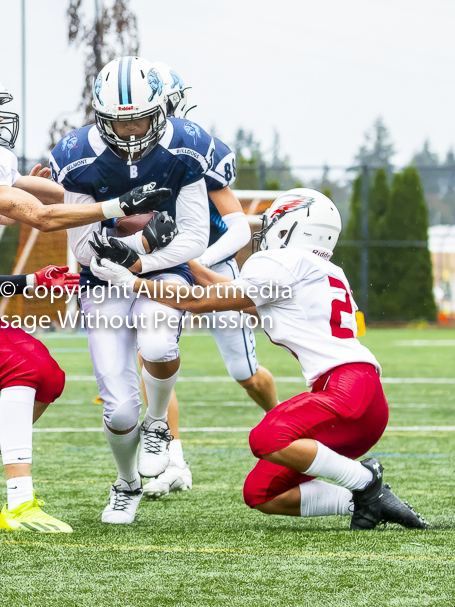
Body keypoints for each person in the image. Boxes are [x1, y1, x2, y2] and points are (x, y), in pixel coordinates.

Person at [0, 62, 170, 533]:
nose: (2, 116)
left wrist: (106, 199)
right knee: (22, 369)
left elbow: (50, 189)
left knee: (47, 377)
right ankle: (19, 502)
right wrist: (116, 207)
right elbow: (39, 215)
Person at [90, 188, 429, 530]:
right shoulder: (320, 270)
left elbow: (197, 301)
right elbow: (227, 293)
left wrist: (132, 282)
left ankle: (365, 479)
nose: (266, 233)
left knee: (266, 438)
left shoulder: (280, 262)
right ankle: (367, 500)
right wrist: (177, 255)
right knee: (261, 493)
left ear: (290, 228)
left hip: (345, 391)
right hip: (363, 401)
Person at [49, 56, 214, 524]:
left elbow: (194, 237)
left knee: (159, 342)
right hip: (102, 278)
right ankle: (126, 483)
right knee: (120, 409)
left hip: (160, 269)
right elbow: (82, 248)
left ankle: (159, 424)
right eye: (118, 123)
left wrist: (139, 263)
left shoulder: (186, 146)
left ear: (161, 110)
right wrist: (132, 243)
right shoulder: (78, 156)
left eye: (140, 118)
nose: (130, 131)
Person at [141, 63, 277, 500]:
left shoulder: (197, 147)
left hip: (211, 268)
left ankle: (286, 427)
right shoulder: (126, 156)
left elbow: (240, 229)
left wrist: (199, 261)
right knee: (153, 356)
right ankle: (174, 459)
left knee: (246, 373)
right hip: (163, 271)